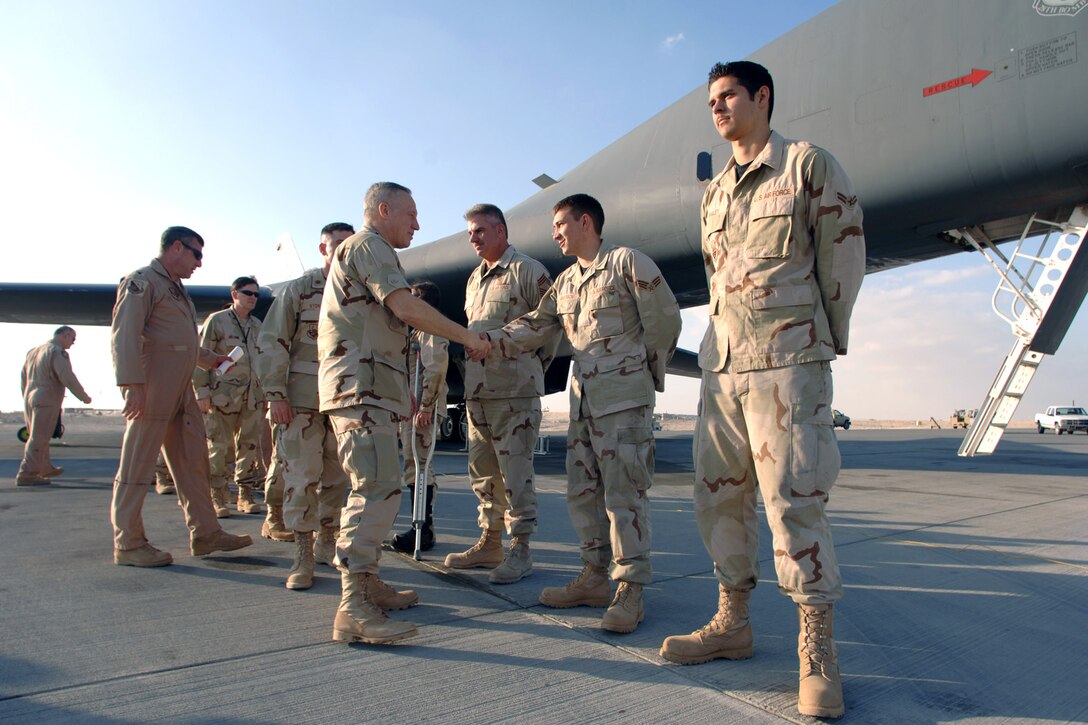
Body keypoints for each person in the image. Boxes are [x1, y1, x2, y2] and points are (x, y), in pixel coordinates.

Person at [658, 61, 865, 720]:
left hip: (788, 363)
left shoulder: (807, 166)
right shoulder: (713, 192)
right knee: (719, 496)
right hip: (724, 371)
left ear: (762, 98)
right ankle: (732, 622)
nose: (717, 108)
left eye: (728, 97)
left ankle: (817, 648)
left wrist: (823, 338)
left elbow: (844, 253)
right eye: (711, 100)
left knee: (793, 499)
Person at [488, 193, 681, 634]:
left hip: (623, 403)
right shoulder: (567, 281)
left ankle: (630, 589)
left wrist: (638, 375)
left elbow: (665, 322)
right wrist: (485, 339)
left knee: (624, 497)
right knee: (582, 493)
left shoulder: (627, 263)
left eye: (560, 224)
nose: (555, 233)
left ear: (586, 222)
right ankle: (595, 577)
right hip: (583, 404)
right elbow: (538, 324)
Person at [319, 182, 491, 645]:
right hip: (362, 387)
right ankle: (352, 606)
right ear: (383, 210)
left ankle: (368, 581)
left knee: (384, 486)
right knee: (373, 487)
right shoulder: (369, 246)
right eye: (410, 214)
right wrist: (467, 336)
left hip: (373, 388)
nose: (417, 224)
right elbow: (405, 306)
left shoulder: (370, 251)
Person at [109, 226, 253, 567]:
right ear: (177, 247)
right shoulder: (142, 281)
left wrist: (210, 359)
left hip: (180, 388)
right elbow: (124, 334)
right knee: (137, 464)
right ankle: (128, 543)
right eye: (197, 254)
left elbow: (179, 341)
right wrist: (132, 386)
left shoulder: (175, 290)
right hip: (153, 384)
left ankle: (206, 533)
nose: (199, 264)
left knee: (192, 460)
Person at [443, 204, 556, 583]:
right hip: (478, 392)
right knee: (483, 473)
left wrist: (512, 356)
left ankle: (520, 550)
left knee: (516, 473)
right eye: (470, 233)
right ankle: (490, 542)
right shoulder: (475, 279)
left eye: (479, 231)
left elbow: (548, 328)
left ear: (501, 231)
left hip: (515, 393)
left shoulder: (528, 270)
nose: (473, 238)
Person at [254, 222, 355, 590]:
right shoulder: (301, 290)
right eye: (336, 244)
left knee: (338, 477)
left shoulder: (361, 290)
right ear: (323, 249)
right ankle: (303, 554)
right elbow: (273, 340)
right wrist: (276, 395)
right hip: (302, 402)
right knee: (302, 477)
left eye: (349, 244)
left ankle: (328, 541)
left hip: (344, 403)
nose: (343, 250)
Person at [194, 276, 267, 517]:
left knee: (248, 446)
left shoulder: (257, 325)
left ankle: (244, 495)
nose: (253, 298)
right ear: (234, 294)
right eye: (248, 293)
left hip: (252, 396)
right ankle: (218, 497)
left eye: (256, 294)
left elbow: (264, 361)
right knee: (219, 448)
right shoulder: (217, 321)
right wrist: (202, 393)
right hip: (222, 396)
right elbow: (200, 359)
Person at [390, 281, 449, 553]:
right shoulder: (415, 332)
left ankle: (423, 530)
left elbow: (435, 368)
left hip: (422, 411)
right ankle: (421, 528)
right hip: (411, 409)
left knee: (421, 466)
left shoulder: (430, 330)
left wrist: (427, 406)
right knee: (413, 468)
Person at [16, 326, 92, 485]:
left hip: (30, 396)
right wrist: (83, 396)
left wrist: (27, 397)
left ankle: (44, 468)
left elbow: (23, 377)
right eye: (73, 339)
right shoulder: (56, 352)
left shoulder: (34, 351)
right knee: (39, 438)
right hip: (46, 398)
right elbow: (66, 376)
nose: (73, 343)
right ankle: (27, 474)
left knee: (37, 436)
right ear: (65, 335)